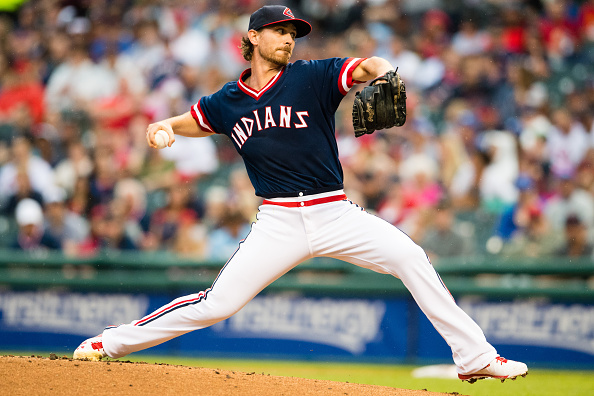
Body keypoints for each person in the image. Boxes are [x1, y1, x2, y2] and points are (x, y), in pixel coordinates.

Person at [74, 5, 528, 383]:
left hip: (335, 211)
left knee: (411, 258)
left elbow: (366, 66)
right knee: (217, 305)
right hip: (278, 222)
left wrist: (387, 72)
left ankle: (473, 357)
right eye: (279, 31)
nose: (289, 39)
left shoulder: (312, 77)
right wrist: (165, 126)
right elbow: (199, 119)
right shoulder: (228, 99)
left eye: (293, 33)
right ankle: (106, 341)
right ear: (253, 38)